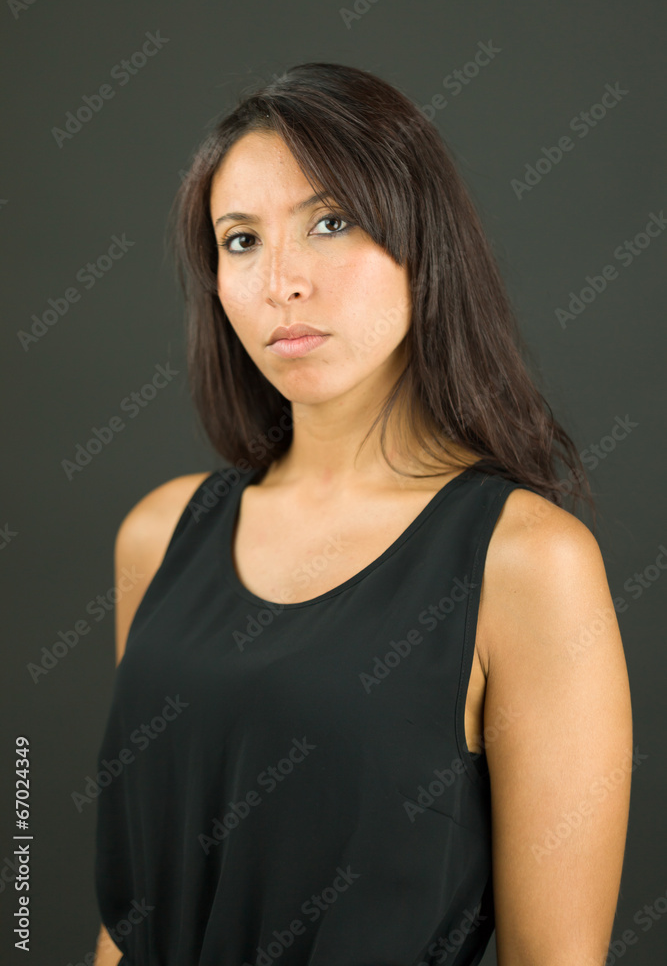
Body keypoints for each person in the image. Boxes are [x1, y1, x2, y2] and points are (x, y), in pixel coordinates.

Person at [93, 62, 632, 966]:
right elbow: (129, 918)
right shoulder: (159, 535)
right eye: (239, 241)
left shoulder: (524, 562)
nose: (280, 282)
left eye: (330, 222)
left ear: (424, 242)